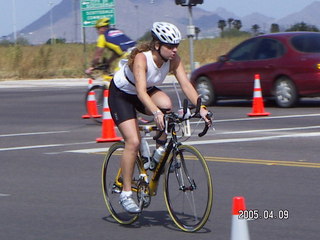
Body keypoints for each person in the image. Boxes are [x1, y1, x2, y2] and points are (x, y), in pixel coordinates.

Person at [108, 22, 212, 213]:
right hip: (122, 95)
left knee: (167, 105)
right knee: (133, 142)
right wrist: (155, 112)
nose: (175, 50)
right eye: (170, 46)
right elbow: (140, 91)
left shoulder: (174, 59)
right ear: (157, 45)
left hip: (146, 91)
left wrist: (201, 107)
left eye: (176, 46)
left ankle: (158, 153)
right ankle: (126, 193)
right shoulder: (141, 58)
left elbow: (186, 85)